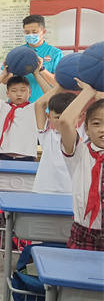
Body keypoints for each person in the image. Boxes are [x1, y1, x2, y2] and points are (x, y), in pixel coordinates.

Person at [58, 80, 104, 251]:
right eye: (96, 123)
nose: (102, 130)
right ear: (86, 128)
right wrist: (89, 91)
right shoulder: (79, 153)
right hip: (85, 232)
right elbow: (65, 122)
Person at [33, 86, 77, 194]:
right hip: (45, 189)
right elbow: (39, 105)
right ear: (48, 116)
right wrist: (61, 85)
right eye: (57, 117)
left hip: (72, 191)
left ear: (79, 116)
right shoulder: (47, 134)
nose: (62, 121)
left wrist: (90, 89)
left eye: (66, 117)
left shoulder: (83, 135)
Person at [0, 72, 40, 161]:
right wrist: (2, 75)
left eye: (23, 90)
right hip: (1, 155)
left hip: (26, 156)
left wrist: (37, 74)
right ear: (8, 93)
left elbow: (51, 95)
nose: (18, 94)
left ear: (30, 93)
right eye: (14, 90)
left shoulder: (34, 107)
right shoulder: (3, 106)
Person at [20, 14, 63, 101]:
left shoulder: (55, 53)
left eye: (34, 32)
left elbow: (57, 83)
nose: (30, 35)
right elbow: (5, 81)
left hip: (46, 104)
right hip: (20, 106)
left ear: (43, 32)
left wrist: (42, 69)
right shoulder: (18, 52)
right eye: (27, 33)